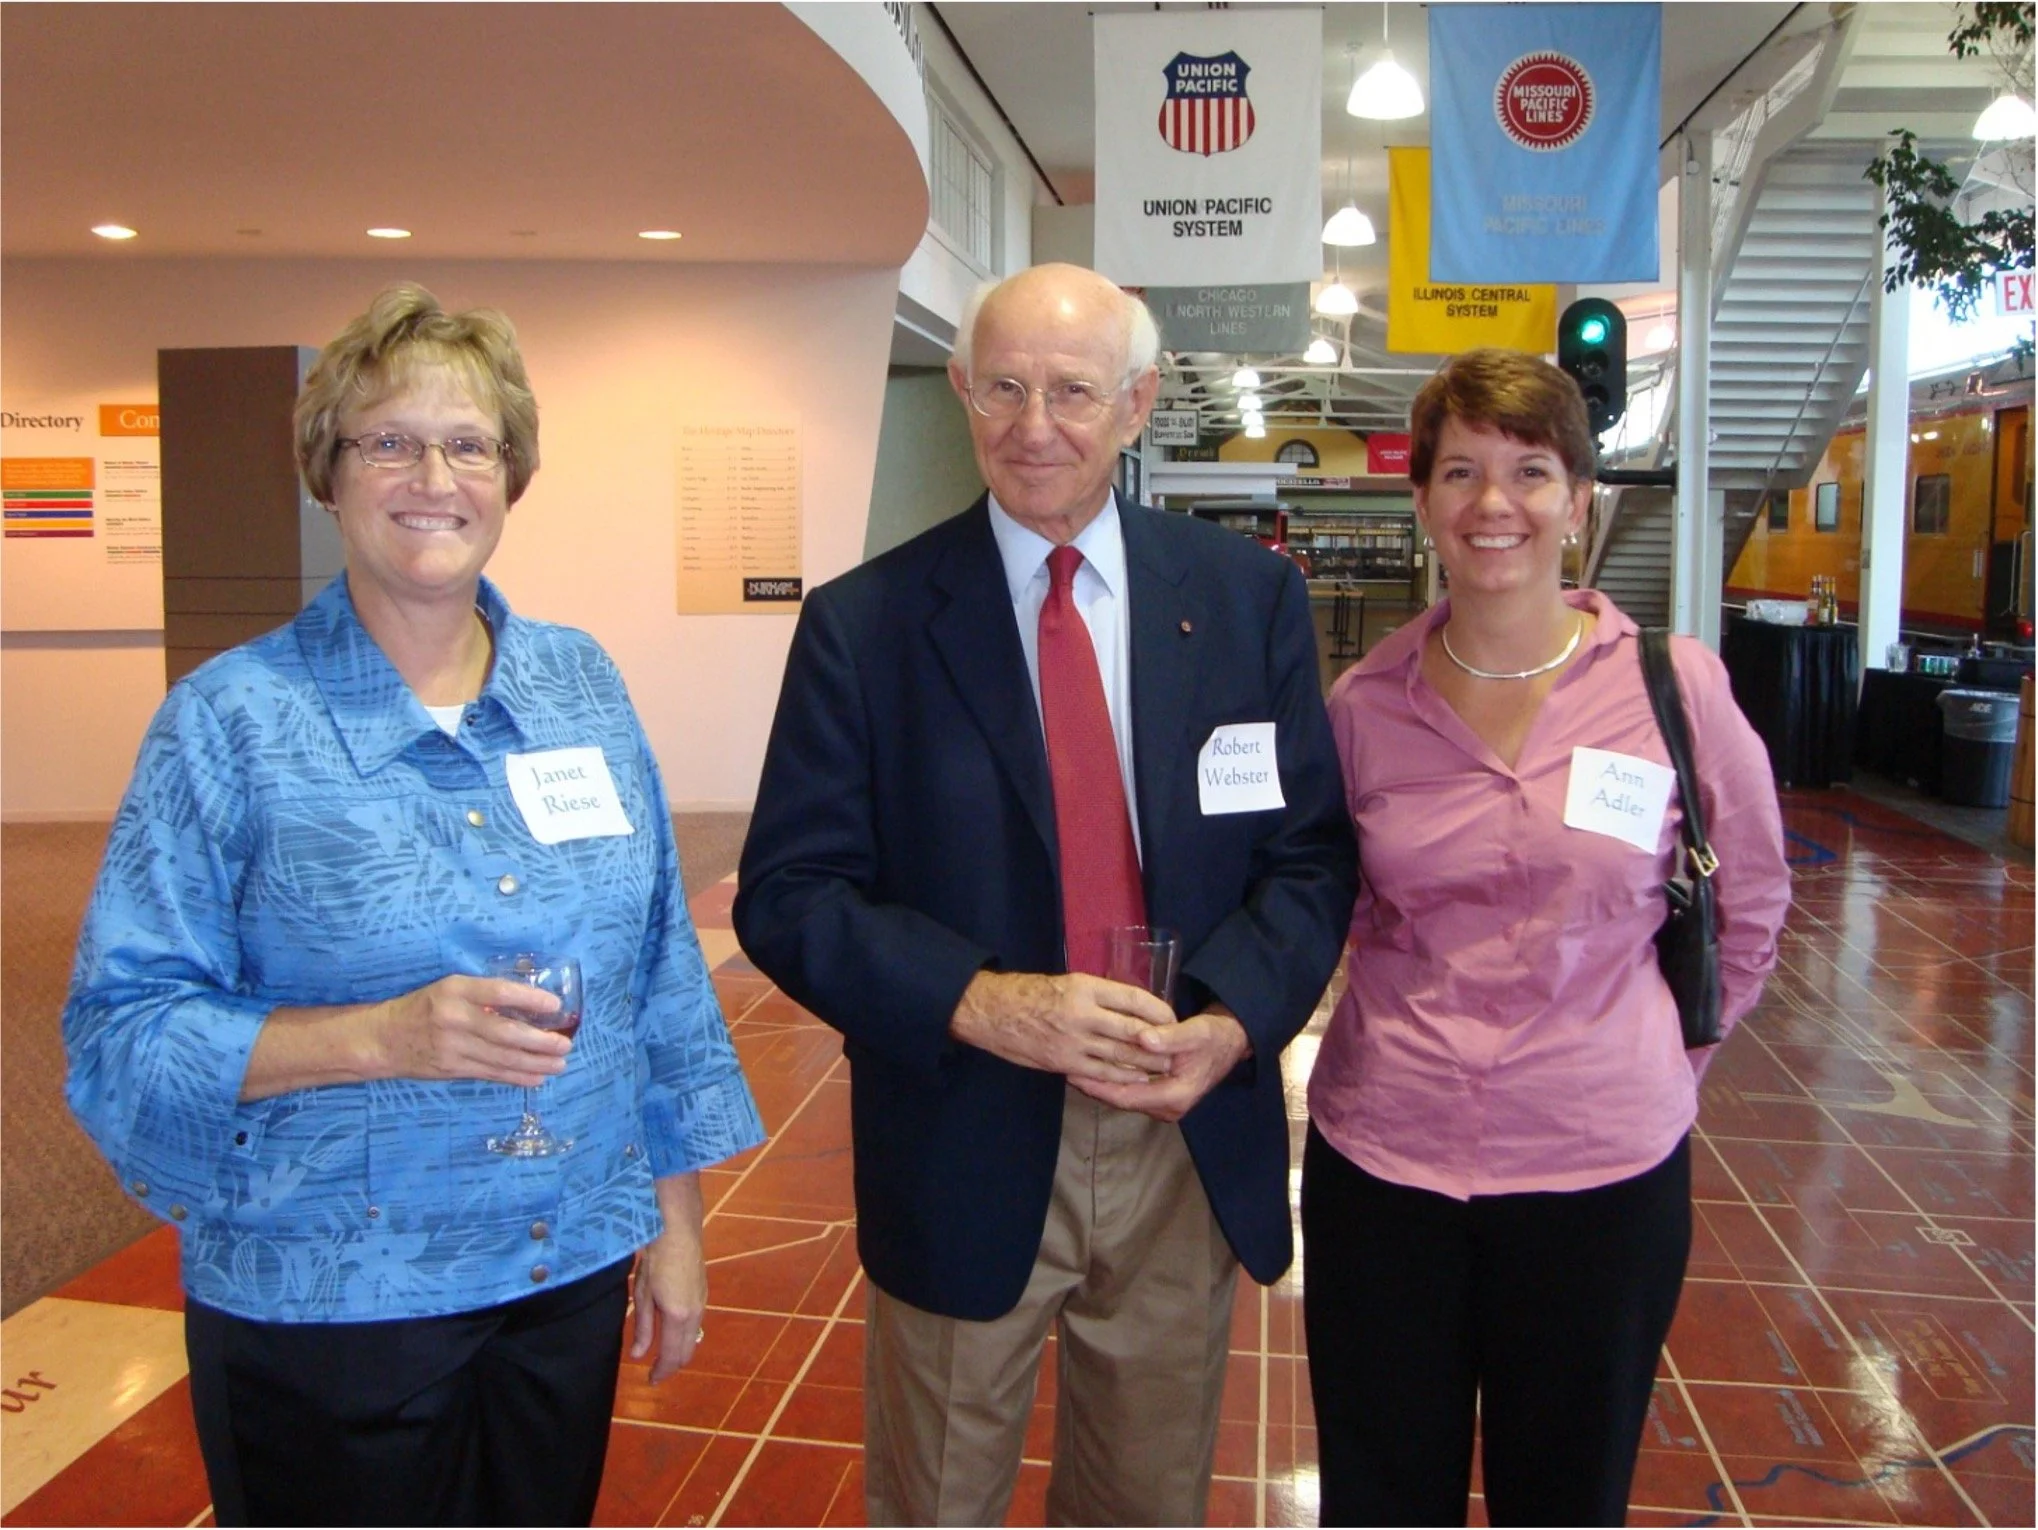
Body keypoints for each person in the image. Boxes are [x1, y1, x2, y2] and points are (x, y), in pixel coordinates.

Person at [63, 284, 764, 1527]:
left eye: (468, 443)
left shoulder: (580, 685)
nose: (431, 475)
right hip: (330, 1307)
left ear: (511, 475)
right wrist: (380, 1036)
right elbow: (121, 1036)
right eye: (387, 441)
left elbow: (656, 968)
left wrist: (673, 1221)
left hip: (562, 1277)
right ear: (327, 474)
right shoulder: (231, 724)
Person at [734, 263, 1356, 1526]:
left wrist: (1231, 1024)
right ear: (961, 390)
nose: (1034, 427)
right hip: (964, 1125)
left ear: (1134, 404)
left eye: (1071, 391)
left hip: (1181, 1128)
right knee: (939, 1497)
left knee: (1147, 1499)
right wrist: (983, 1003)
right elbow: (790, 894)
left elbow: (1309, 856)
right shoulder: (869, 626)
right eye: (1004, 388)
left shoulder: (1245, 604)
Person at [1303, 347, 1791, 1526]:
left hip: (1601, 1174)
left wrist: (1665, 1066)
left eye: (1529, 472)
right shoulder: (1365, 704)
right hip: (1387, 1163)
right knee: (1380, 1494)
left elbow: (1756, 901)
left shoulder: (1673, 687)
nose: (1492, 505)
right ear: (1418, 498)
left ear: (1579, 500)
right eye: (1459, 471)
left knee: (1566, 1494)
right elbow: (1340, 904)